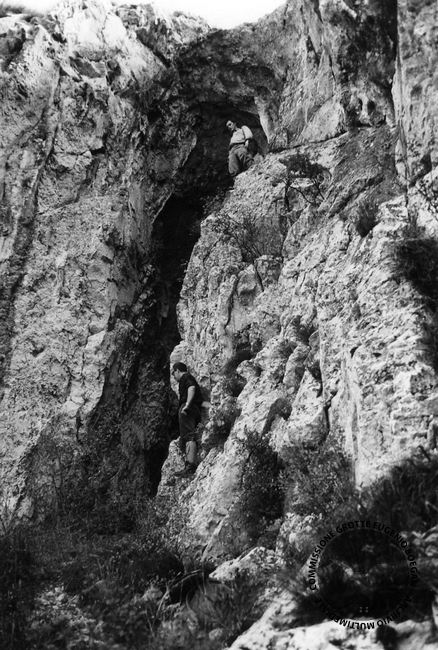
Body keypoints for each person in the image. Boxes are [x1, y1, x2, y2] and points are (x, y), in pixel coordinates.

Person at [172, 362, 203, 477]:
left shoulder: (186, 377)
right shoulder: (187, 378)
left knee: (188, 435)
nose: (173, 376)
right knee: (188, 435)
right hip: (194, 409)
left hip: (188, 409)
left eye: (173, 373)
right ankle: (190, 464)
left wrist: (187, 405)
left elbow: (191, 387)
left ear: (177, 370)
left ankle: (190, 466)